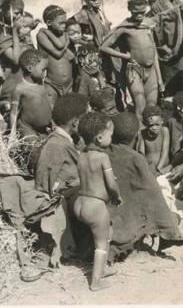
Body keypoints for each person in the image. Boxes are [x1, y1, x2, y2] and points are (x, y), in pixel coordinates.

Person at [107, 112, 183, 258]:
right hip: (126, 224)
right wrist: (170, 230)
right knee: (172, 214)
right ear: (137, 135)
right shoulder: (135, 158)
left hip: (106, 219)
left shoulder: (104, 153)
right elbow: (153, 194)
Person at [34, 93, 89, 267]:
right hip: (66, 203)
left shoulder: (67, 141)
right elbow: (45, 185)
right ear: (75, 122)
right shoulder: (55, 145)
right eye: (86, 118)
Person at [74, 112, 123, 291]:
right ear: (100, 137)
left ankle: (101, 268)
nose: (112, 137)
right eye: (110, 134)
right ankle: (96, 282)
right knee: (101, 244)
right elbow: (111, 184)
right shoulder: (103, 157)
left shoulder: (80, 155)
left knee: (106, 232)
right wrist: (117, 197)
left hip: (80, 203)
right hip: (95, 206)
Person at [101, 0, 163, 122]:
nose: (139, 15)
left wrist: (160, 79)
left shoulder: (148, 24)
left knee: (151, 108)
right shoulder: (125, 27)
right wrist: (125, 56)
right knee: (140, 107)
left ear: (146, 9)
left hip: (151, 70)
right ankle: (138, 137)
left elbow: (154, 51)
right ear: (130, 10)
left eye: (142, 12)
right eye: (136, 13)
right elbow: (104, 47)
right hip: (134, 70)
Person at [72, 0, 117, 88]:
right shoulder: (82, 15)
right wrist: (85, 41)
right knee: (96, 86)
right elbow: (70, 28)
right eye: (93, 0)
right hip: (90, 56)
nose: (97, 1)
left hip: (104, 53)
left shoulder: (100, 12)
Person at [0, 0, 29, 113]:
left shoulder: (7, 27)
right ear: (5, 10)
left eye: (21, 13)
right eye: (16, 13)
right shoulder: (0, 31)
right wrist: (15, 30)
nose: (19, 16)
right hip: (7, 88)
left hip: (16, 84)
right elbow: (16, 58)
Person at [9, 49, 51, 141]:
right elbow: (13, 113)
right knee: (33, 152)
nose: (45, 73)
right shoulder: (20, 89)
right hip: (28, 129)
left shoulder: (41, 83)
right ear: (30, 68)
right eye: (43, 69)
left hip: (45, 129)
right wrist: (13, 134)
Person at [37, 5, 74, 108]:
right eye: (60, 23)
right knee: (51, 112)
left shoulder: (63, 34)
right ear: (49, 23)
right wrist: (47, 32)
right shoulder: (42, 35)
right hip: (52, 84)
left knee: (69, 113)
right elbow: (58, 53)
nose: (64, 26)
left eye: (65, 23)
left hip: (69, 84)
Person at [137, 106, 171, 176]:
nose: (154, 128)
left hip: (163, 168)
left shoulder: (164, 131)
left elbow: (164, 152)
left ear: (162, 121)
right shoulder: (142, 133)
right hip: (149, 169)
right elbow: (141, 154)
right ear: (146, 124)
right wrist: (148, 170)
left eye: (157, 125)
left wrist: (158, 169)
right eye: (151, 125)